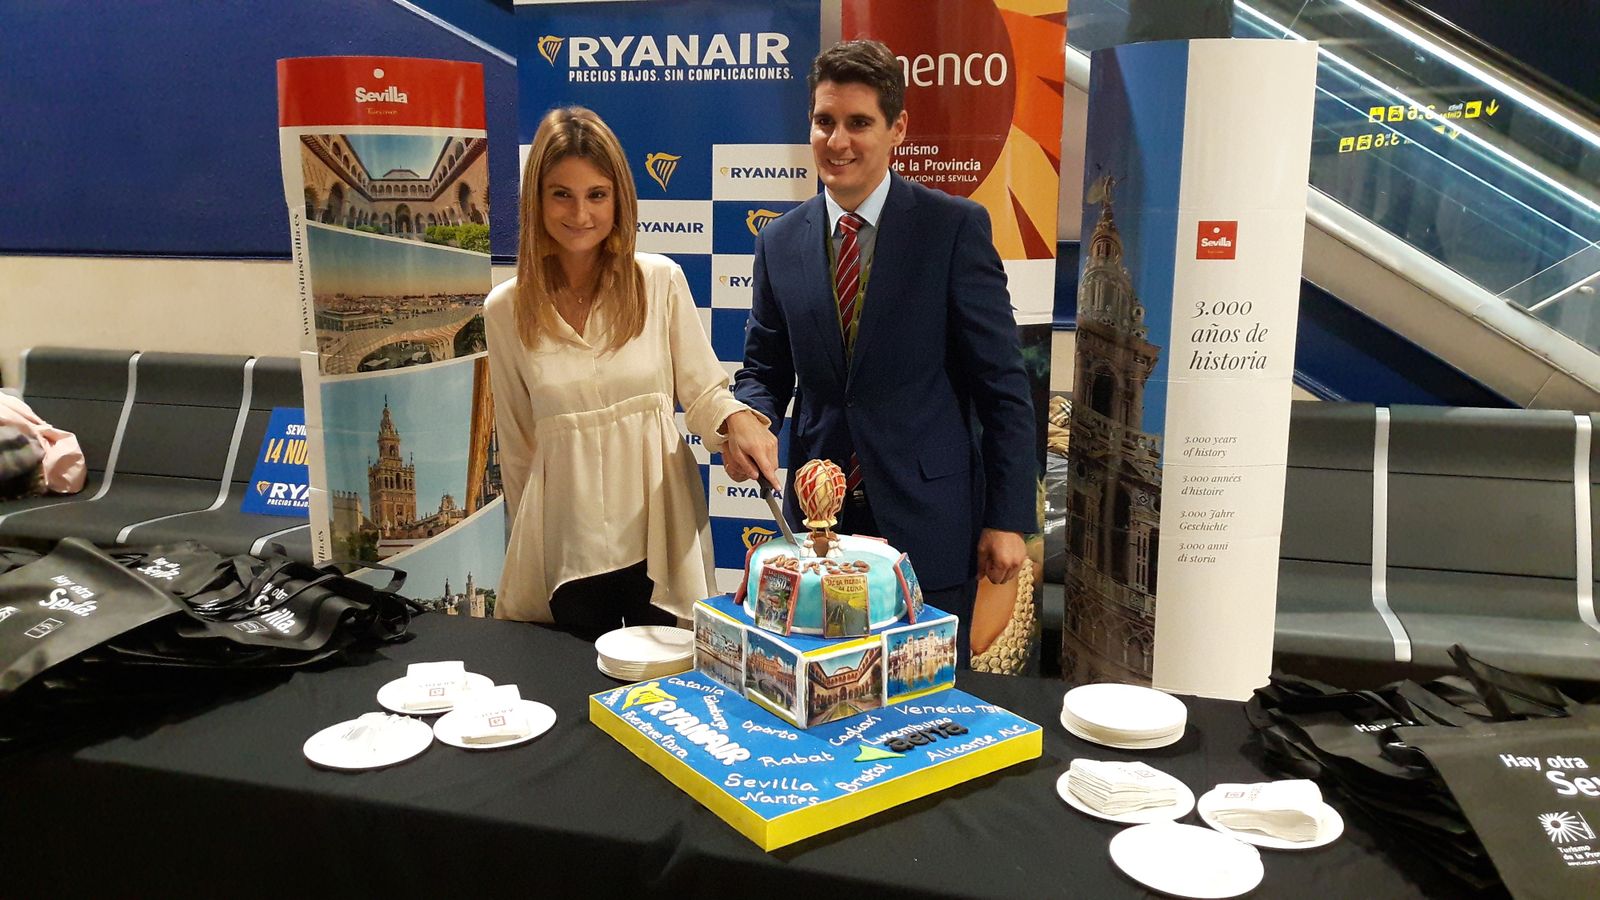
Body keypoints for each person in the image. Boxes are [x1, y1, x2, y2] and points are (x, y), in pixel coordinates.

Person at [720, 40, 1037, 665]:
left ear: (897, 129)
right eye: (824, 121)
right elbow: (766, 369)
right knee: (821, 701)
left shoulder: (953, 228)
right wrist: (748, 418)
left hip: (931, 523)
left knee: (930, 709)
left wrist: (1008, 517)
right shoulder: (778, 242)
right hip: (817, 532)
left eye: (859, 123)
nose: (838, 141)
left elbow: (1003, 386)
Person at [486, 106, 776, 640]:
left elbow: (705, 392)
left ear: (619, 198)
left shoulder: (660, 280)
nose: (580, 213)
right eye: (561, 194)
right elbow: (520, 446)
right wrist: (527, 550)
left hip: (659, 534)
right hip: (565, 544)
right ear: (536, 200)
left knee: (670, 697)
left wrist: (738, 422)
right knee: (572, 695)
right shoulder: (505, 309)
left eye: (597, 194)